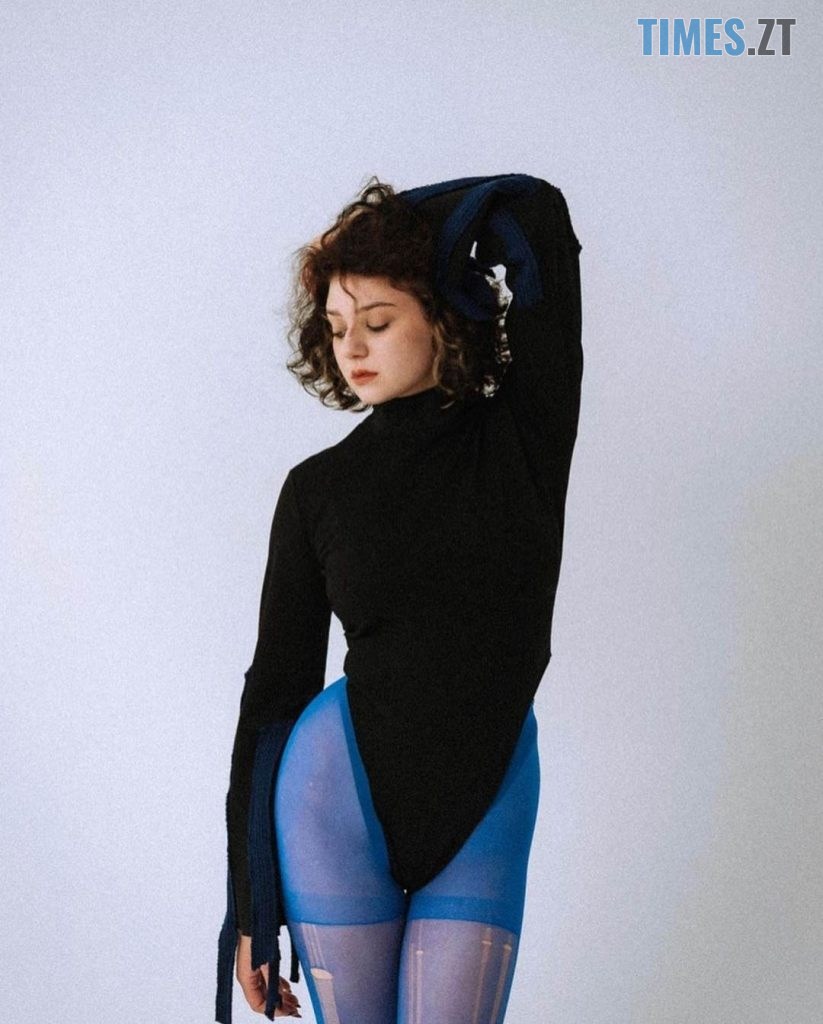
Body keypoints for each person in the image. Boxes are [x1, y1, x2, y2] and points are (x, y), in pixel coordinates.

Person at [215, 173, 583, 1023]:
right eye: (336, 325)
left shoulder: (523, 435)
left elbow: (537, 214)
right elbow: (274, 692)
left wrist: (388, 233)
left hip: (488, 790)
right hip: (334, 793)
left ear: (443, 311)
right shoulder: (317, 490)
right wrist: (250, 907)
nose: (352, 346)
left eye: (377, 321)